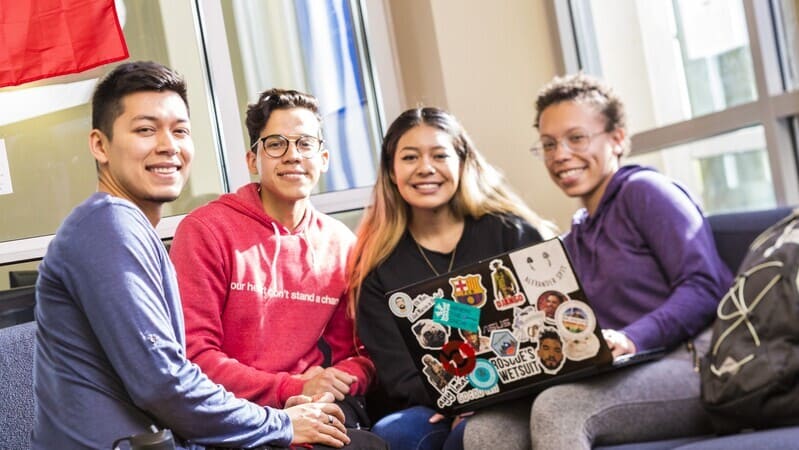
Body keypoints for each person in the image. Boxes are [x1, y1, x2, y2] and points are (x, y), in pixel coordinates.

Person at [31, 61, 354, 449]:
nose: (168, 145)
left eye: (180, 130)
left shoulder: (127, 228)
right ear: (100, 145)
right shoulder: (108, 226)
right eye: (146, 130)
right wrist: (281, 423)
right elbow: (165, 384)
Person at [517, 73, 731, 449]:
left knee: (558, 409)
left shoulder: (647, 193)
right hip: (628, 371)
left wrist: (633, 338)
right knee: (490, 426)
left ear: (617, 139)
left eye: (576, 138)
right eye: (549, 144)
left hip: (697, 362)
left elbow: (705, 286)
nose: (560, 154)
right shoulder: (576, 235)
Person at [346, 107, 555, 450]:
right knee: (395, 433)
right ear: (391, 172)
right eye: (410, 157)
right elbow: (399, 374)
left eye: (440, 155)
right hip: (431, 402)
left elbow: (546, 327)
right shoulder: (377, 267)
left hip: (518, 392)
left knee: (469, 436)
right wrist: (459, 398)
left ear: (462, 162)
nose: (425, 168)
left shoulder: (512, 234)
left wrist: (485, 396)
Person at [169, 89, 376, 430]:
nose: (293, 155)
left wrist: (341, 378)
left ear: (323, 158)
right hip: (233, 413)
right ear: (253, 160)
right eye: (276, 144)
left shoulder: (342, 245)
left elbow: (362, 352)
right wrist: (290, 388)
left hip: (320, 407)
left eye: (305, 143)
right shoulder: (207, 231)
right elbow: (194, 355)